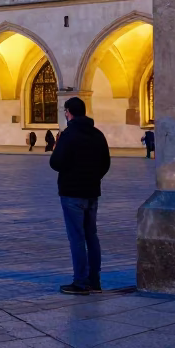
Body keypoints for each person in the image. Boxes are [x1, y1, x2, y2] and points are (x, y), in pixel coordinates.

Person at [50, 96, 111, 295]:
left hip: (72, 193)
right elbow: (105, 164)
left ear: (69, 112)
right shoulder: (97, 134)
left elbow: (56, 163)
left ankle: (80, 282)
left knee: (77, 237)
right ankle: (94, 280)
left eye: (65, 112)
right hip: (92, 192)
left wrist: (57, 148)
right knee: (91, 236)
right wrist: (93, 178)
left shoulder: (69, 135)